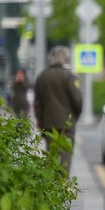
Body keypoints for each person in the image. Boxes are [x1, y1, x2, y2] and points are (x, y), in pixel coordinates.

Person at [34, 46, 83, 174]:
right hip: (67, 124)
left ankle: (52, 183)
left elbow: (37, 103)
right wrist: (75, 117)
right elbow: (78, 101)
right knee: (66, 155)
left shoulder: (42, 77)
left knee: (52, 154)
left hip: (48, 124)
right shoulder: (70, 77)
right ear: (66, 59)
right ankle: (63, 183)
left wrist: (40, 120)